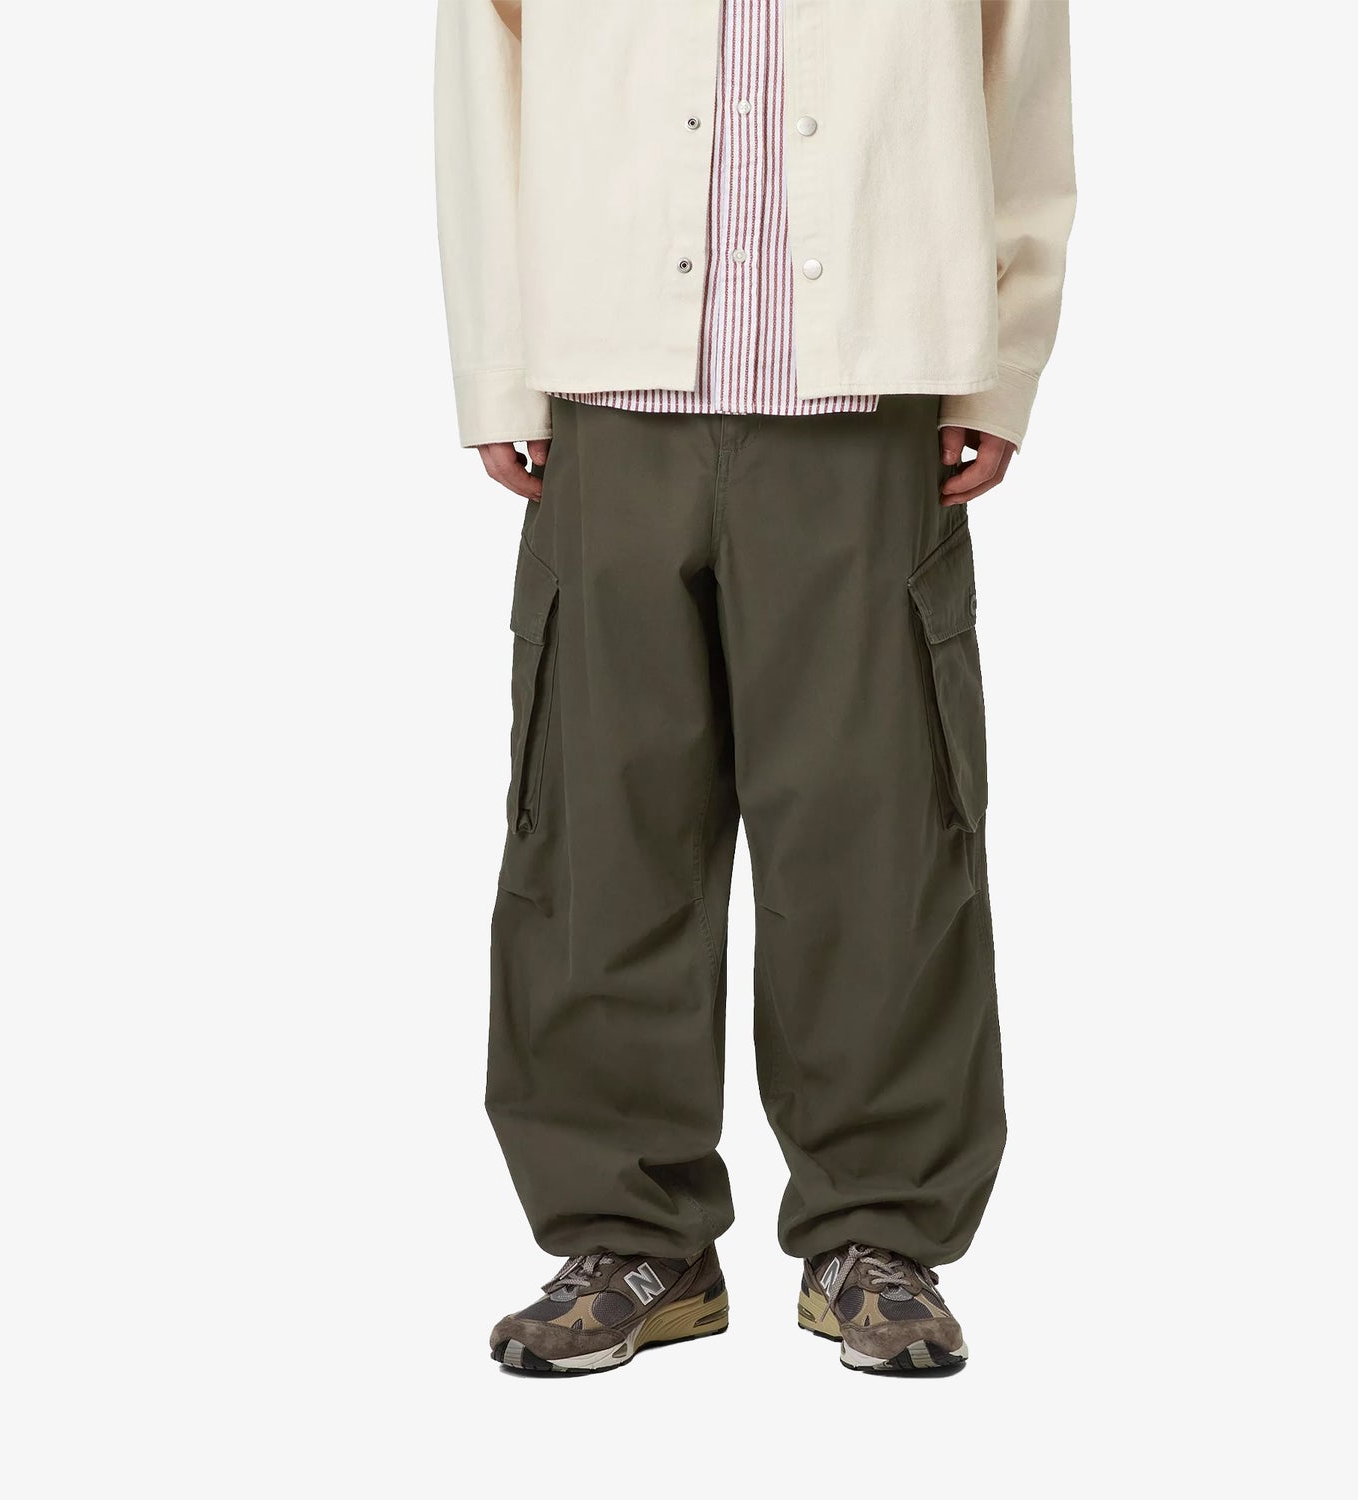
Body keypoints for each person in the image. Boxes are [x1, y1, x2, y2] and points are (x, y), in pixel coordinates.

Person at [435, 0, 1074, 1377]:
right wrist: (496, 363)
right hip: (608, 377)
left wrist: (1004, 354)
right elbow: (486, 63)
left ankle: (876, 1235)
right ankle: (632, 1239)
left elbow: (1019, 71)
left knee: (880, 839)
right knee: (600, 836)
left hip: (873, 378)